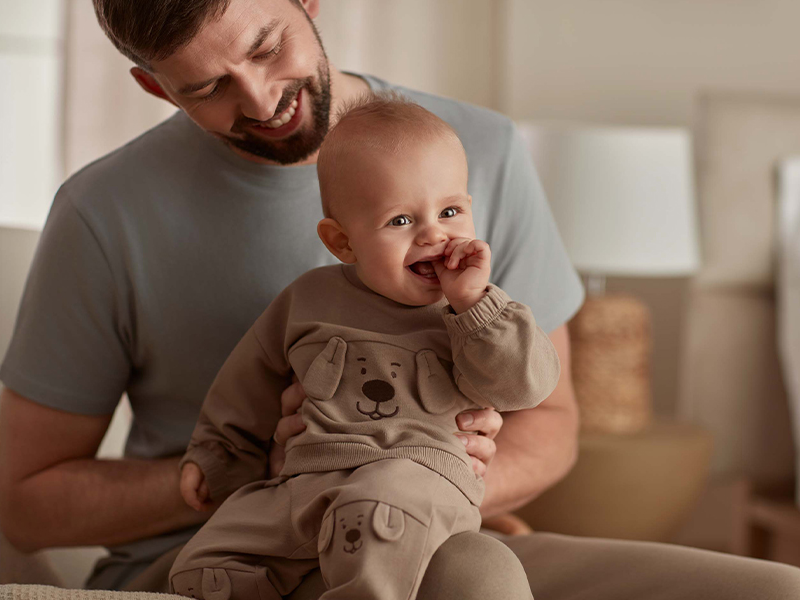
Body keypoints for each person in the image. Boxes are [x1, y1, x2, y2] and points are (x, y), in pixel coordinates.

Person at [0, 0, 800, 598]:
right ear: (153, 89)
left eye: (265, 47)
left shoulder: (478, 154)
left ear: (308, 1)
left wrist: (409, 477)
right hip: (228, 557)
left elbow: (552, 425)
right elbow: (27, 504)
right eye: (204, 88)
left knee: (786, 592)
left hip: (435, 535)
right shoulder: (105, 211)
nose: (258, 101)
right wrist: (242, 472)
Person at [169, 94, 558, 600]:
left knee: (381, 510)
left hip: (415, 479)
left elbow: (525, 385)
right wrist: (218, 456)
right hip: (307, 480)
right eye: (401, 221)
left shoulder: (474, 312)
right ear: (343, 243)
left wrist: (474, 306)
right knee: (206, 560)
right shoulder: (307, 299)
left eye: (450, 210)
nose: (433, 235)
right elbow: (247, 380)